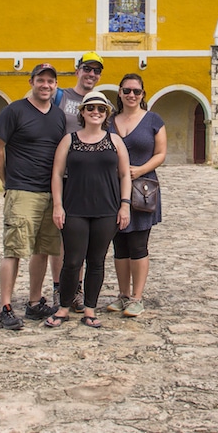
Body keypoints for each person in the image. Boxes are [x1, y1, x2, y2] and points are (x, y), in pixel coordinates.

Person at [0, 63, 65, 331]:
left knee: (43, 249)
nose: (46, 85)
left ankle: (34, 302)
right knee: (14, 250)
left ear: (56, 85)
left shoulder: (58, 116)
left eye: (50, 81)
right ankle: (5, 306)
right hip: (22, 190)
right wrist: (7, 181)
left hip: (49, 191)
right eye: (41, 80)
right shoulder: (14, 111)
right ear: (31, 81)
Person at [46, 91, 131, 329]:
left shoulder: (114, 141)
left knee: (97, 261)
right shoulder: (69, 140)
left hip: (107, 209)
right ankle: (64, 306)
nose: (96, 112)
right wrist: (58, 205)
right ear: (82, 112)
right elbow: (56, 174)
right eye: (91, 108)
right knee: (72, 261)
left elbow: (125, 174)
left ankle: (90, 309)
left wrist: (125, 205)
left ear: (107, 115)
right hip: (75, 209)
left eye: (101, 109)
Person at [50, 51, 105, 311]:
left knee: (81, 242)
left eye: (96, 71)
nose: (91, 74)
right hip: (64, 177)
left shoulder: (99, 103)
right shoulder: (61, 97)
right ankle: (59, 287)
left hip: (88, 182)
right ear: (77, 70)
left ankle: (77, 289)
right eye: (87, 69)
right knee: (62, 240)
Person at [108, 73, 166, 318]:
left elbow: (161, 153)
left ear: (143, 94)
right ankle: (122, 295)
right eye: (127, 90)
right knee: (119, 245)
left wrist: (140, 169)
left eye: (137, 91)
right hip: (112, 189)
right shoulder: (109, 121)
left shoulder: (153, 119)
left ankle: (137, 297)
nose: (132, 95)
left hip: (142, 189)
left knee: (138, 244)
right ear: (120, 93)